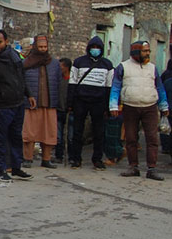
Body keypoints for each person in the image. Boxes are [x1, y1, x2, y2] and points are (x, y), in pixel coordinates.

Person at [109, 41, 169, 180]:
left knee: (152, 138)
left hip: (150, 107)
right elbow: (116, 87)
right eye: (144, 51)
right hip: (130, 107)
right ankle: (133, 167)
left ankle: (152, 169)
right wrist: (113, 105)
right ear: (136, 52)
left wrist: (164, 105)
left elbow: (159, 88)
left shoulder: (152, 68)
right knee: (131, 138)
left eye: (148, 51)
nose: (148, 53)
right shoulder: (123, 67)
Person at [0, 29, 35, 182]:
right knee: (0, 139)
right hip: (2, 107)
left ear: (6, 41)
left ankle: (16, 167)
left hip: (18, 104)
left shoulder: (14, 56)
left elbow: (21, 77)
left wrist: (29, 94)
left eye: (0, 42)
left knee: (16, 137)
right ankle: (1, 170)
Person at [68, 36, 113, 170]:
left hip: (98, 102)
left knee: (99, 132)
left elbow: (109, 87)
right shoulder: (78, 62)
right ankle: (76, 158)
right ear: (88, 48)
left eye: (98, 48)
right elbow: (72, 83)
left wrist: (107, 106)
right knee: (77, 131)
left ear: (102, 49)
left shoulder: (108, 65)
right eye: (93, 47)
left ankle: (97, 159)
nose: (95, 50)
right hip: (80, 101)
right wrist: (70, 103)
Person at [21, 35, 63, 169]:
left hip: (49, 102)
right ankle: (27, 158)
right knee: (29, 133)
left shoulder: (54, 63)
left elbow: (58, 82)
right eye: (40, 47)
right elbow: (22, 81)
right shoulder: (26, 62)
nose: (43, 49)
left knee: (49, 133)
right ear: (35, 47)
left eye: (45, 47)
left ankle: (46, 159)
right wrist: (27, 96)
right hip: (32, 102)